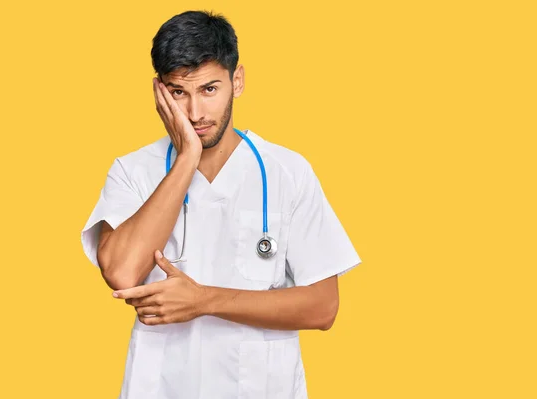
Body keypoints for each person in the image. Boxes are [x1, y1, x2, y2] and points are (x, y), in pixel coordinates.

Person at [81, 10, 362, 399]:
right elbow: (123, 274)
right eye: (179, 92)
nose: (195, 113)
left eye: (209, 90)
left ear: (238, 81)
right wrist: (186, 160)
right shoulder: (132, 172)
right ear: (159, 91)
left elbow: (322, 308)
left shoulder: (288, 172)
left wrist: (204, 300)